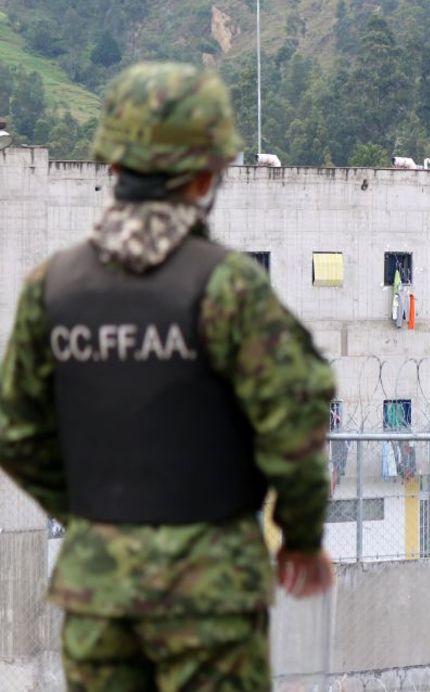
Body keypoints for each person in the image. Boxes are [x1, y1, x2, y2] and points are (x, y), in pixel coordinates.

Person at [0, 62, 337, 690]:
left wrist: (95, 518)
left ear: (113, 169)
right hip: (209, 593)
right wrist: (301, 538)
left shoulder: (52, 289)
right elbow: (294, 424)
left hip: (96, 594)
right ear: (206, 176)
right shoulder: (228, 286)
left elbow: (15, 433)